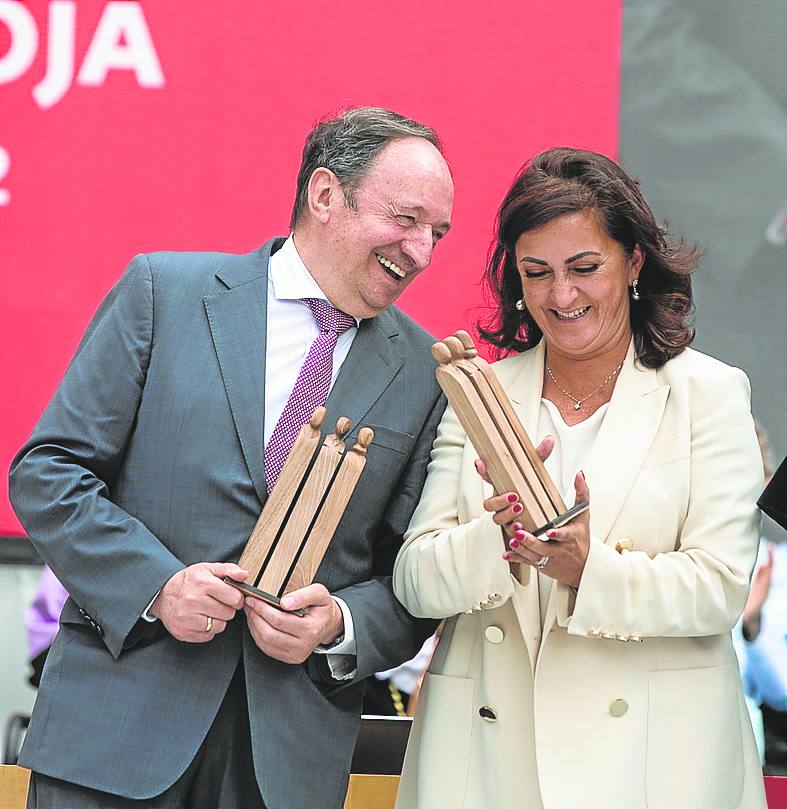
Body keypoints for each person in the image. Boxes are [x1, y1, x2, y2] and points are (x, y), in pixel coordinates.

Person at [9, 106, 453, 809]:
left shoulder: (427, 374)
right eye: (406, 218)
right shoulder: (163, 293)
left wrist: (337, 621)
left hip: (284, 764)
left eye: (438, 232)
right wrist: (159, 587)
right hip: (114, 734)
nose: (422, 250)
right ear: (325, 194)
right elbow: (49, 471)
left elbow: (412, 573)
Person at [393, 148, 766, 808]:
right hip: (486, 763)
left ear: (634, 261)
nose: (560, 295)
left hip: (654, 769)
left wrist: (587, 568)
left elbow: (718, 589)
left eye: (583, 268)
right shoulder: (478, 392)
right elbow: (416, 579)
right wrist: (496, 539)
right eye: (536, 273)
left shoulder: (707, 393)